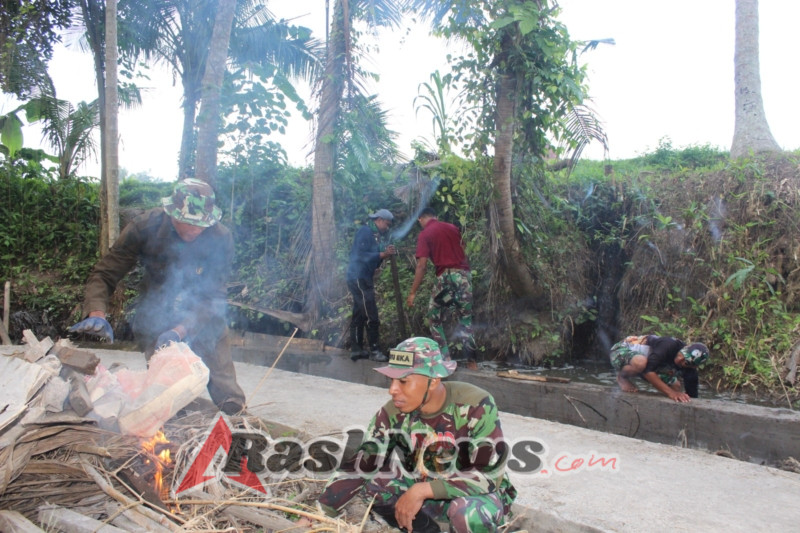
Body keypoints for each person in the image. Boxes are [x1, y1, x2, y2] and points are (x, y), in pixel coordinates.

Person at [69, 178, 246, 415]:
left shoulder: (220, 237)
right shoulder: (144, 227)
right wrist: (97, 313)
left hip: (203, 315)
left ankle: (239, 422)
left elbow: (214, 296)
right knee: (166, 391)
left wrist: (181, 331)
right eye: (186, 222)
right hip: (156, 313)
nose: (193, 230)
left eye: (199, 225)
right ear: (171, 213)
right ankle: (172, 430)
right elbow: (105, 273)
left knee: (225, 384)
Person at [318, 337, 516, 533]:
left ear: (433, 381)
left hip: (473, 495)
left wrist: (422, 491)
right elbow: (361, 466)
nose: (392, 390)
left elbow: (488, 474)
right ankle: (427, 530)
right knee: (374, 483)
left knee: (467, 513)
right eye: (392, 380)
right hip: (426, 491)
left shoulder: (475, 404)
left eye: (403, 381)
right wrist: (320, 512)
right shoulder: (392, 412)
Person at [406, 207, 474, 360]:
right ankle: (472, 363)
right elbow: (463, 250)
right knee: (465, 319)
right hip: (464, 278)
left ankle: (445, 358)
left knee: (434, 318)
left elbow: (421, 266)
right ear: (435, 216)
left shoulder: (425, 234)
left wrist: (412, 292)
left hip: (446, 280)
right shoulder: (452, 228)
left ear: (421, 219)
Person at [346, 208, 396, 362]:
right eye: (386, 224)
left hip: (362, 277)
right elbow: (359, 255)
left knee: (359, 312)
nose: (387, 228)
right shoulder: (365, 231)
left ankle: (356, 349)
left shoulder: (375, 236)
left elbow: (373, 257)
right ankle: (374, 350)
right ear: (379, 220)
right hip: (358, 277)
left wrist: (382, 257)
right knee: (370, 313)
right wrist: (382, 254)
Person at [609, 334, 709, 403]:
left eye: (685, 362)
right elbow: (648, 371)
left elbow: (693, 397)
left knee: (675, 385)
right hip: (621, 351)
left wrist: (680, 396)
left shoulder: (691, 371)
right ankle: (622, 377)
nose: (679, 360)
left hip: (648, 365)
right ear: (684, 348)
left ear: (693, 366)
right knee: (641, 363)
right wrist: (671, 393)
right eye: (681, 355)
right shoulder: (669, 344)